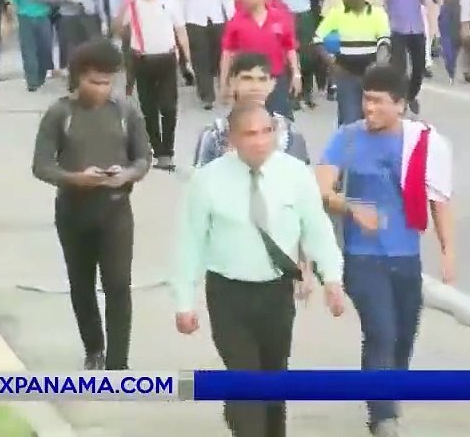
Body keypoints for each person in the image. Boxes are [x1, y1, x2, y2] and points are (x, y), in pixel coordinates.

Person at [172, 103, 346, 437]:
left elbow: (317, 229)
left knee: (273, 379)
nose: (260, 141)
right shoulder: (207, 180)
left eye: (267, 132)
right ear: (233, 138)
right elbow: (189, 242)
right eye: (250, 134)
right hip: (228, 294)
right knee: (246, 382)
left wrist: (332, 279)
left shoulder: (295, 174)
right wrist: (184, 301)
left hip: (276, 292)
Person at [315, 66, 454, 436]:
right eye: (366, 99)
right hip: (362, 256)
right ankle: (382, 416)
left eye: (378, 101)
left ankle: (388, 390)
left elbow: (439, 198)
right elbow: (321, 188)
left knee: (404, 334)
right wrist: (350, 207)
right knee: (381, 331)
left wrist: (448, 250)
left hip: (406, 256)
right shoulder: (347, 138)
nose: (369, 108)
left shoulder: (420, 141)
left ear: (401, 105)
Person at [31, 39, 151, 370]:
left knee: (118, 286)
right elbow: (41, 165)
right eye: (94, 82)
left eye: (107, 82)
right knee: (82, 285)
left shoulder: (125, 112)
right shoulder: (60, 114)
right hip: (73, 210)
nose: (101, 89)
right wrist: (75, 178)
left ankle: (118, 364)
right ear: (78, 77)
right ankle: (94, 349)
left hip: (115, 209)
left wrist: (126, 174)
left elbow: (143, 158)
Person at [118, 0, 190, 170]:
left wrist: (187, 59)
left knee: (168, 107)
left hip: (166, 59)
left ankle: (168, 150)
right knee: (148, 107)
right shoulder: (134, 2)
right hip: (142, 59)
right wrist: (123, 6)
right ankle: (156, 149)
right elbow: (119, 29)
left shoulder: (169, 1)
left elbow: (181, 30)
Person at [195, 52, 310, 167]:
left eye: (262, 79)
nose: (255, 87)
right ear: (232, 82)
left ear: (272, 84)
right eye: (247, 78)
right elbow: (201, 176)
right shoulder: (214, 135)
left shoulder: (290, 135)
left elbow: (299, 176)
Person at [221, 0, 303, 120]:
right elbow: (228, 53)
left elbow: (290, 48)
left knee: (279, 120)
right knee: (249, 121)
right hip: (247, 80)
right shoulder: (236, 21)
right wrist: (225, 83)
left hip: (275, 79)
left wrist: (296, 74)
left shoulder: (280, 18)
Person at [315, 0, 392, 126]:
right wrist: (332, 63)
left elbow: (384, 43)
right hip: (346, 74)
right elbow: (317, 39)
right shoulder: (337, 13)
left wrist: (378, 66)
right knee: (349, 119)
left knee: (371, 119)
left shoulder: (377, 14)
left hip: (370, 75)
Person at [175, 0, 237, 110]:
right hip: (194, 20)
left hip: (217, 18)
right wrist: (179, 22)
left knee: (219, 55)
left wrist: (232, 17)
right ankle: (206, 95)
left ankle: (222, 85)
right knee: (200, 57)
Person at [270, 0, 326, 109]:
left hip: (304, 13)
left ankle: (307, 92)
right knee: (289, 55)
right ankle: (292, 94)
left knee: (308, 55)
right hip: (286, 14)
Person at [379, 0, 434, 114]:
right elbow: (381, 2)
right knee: (399, 68)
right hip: (396, 28)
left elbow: (426, 1)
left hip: (416, 27)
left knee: (419, 67)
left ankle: (411, 95)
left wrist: (432, 25)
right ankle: (400, 99)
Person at [13, 0, 58, 91]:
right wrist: (15, 17)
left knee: (44, 48)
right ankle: (31, 81)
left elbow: (54, 0)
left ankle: (41, 75)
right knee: (28, 50)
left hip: (43, 17)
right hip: (26, 18)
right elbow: (15, 1)